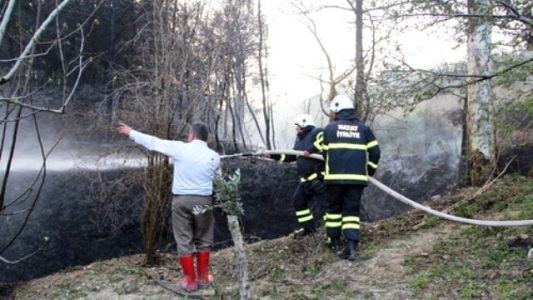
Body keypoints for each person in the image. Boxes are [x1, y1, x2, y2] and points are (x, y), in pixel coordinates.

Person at [117, 122, 220, 292]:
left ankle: (190, 281)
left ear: (192, 134)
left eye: (189, 134)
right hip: (204, 202)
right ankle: (203, 278)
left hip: (182, 202)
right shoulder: (214, 156)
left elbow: (154, 142)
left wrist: (131, 132)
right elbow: (217, 175)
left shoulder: (180, 149)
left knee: (184, 239)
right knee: (204, 239)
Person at [322, 95, 381, 261]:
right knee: (351, 212)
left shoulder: (329, 129)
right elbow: (375, 152)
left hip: (334, 178)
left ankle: (334, 243)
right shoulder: (363, 129)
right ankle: (351, 248)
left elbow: (325, 153)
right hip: (356, 179)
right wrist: (369, 170)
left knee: (333, 210)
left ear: (337, 111)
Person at [264, 114, 328, 238]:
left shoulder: (317, 132)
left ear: (304, 124)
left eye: (297, 126)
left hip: (319, 178)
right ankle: (308, 228)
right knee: (299, 202)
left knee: (325, 206)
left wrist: (310, 150)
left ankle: (332, 232)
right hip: (306, 180)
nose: (296, 129)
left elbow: (325, 142)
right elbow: (291, 155)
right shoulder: (299, 140)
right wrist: (273, 155)